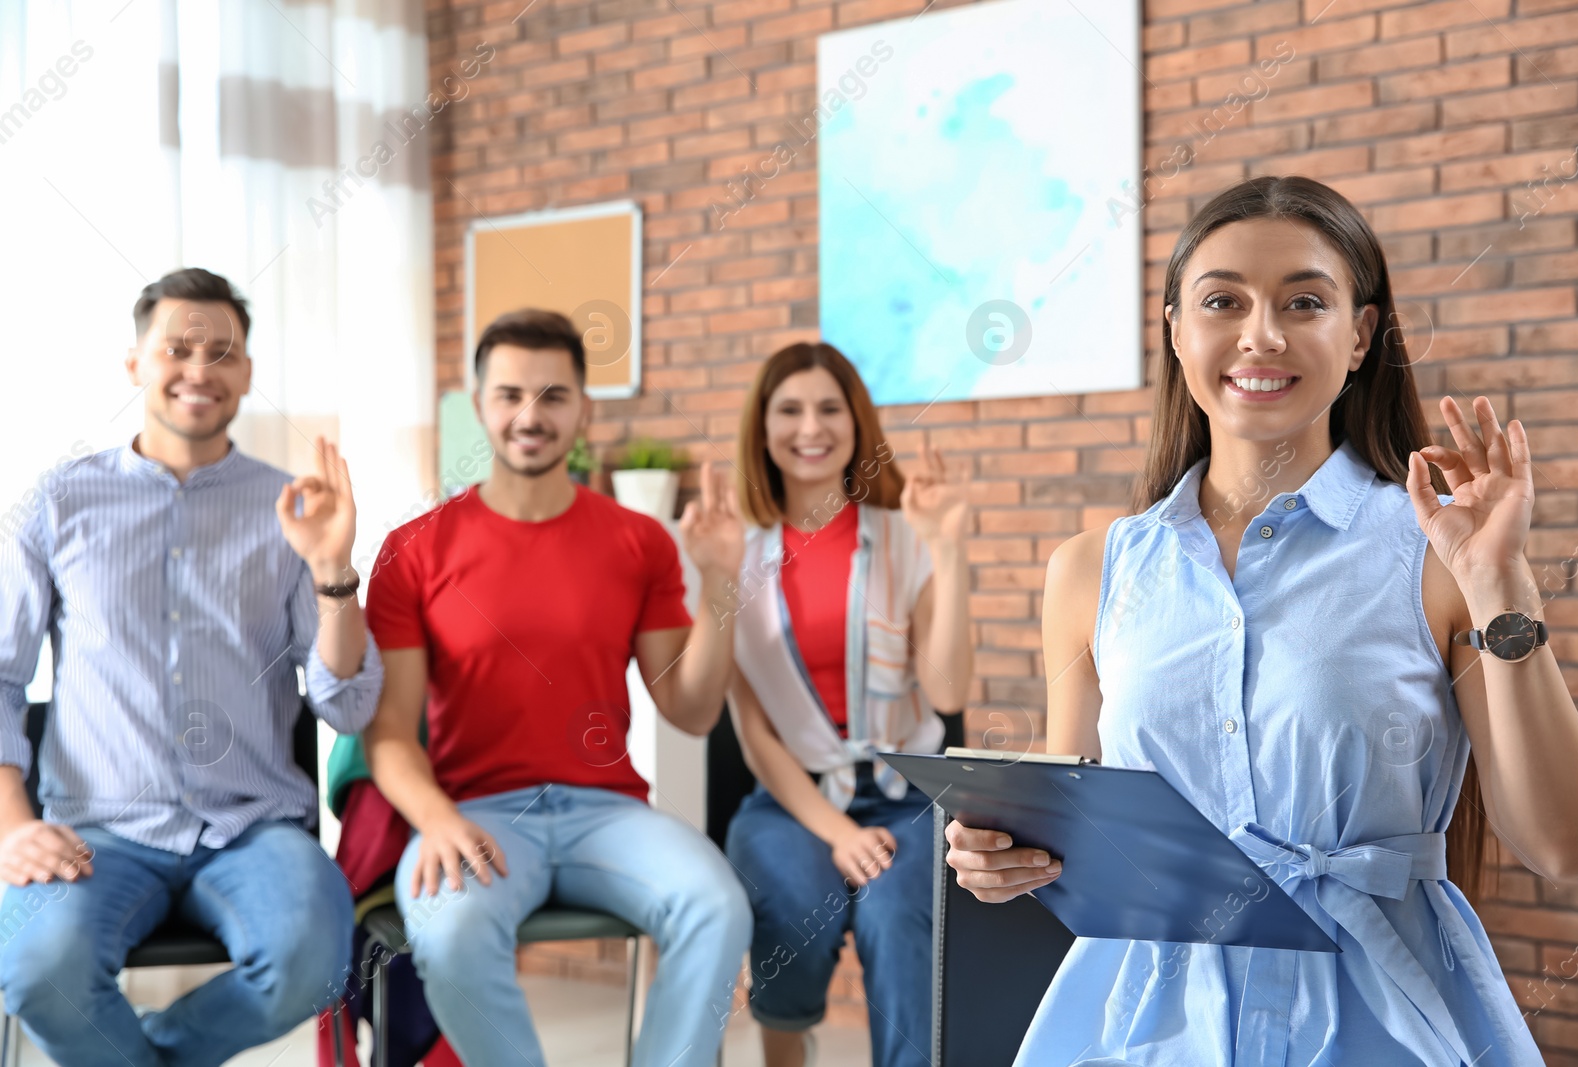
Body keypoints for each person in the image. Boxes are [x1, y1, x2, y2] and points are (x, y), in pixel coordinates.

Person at [945, 175, 1578, 1066]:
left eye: (1305, 301)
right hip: (1146, 1022)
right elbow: (1079, 829)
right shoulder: (1090, 571)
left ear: (1360, 335)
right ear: (1176, 329)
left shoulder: (1439, 552)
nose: (1262, 334)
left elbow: (1566, 843)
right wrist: (998, 858)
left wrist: (1501, 586)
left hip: (1378, 1013)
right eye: (1223, 301)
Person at [0, 267, 383, 1066]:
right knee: (36, 970)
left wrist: (335, 569)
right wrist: (12, 826)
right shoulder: (59, 502)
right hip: (95, 830)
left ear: (246, 373)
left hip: (253, 826)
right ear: (136, 362)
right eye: (177, 347)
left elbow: (345, 703)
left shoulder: (297, 511)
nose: (199, 370)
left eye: (223, 352)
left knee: (318, 961)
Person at [362, 308, 752, 1067]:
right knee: (447, 927)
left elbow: (692, 707)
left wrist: (722, 581)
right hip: (474, 815)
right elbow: (388, 731)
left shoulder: (635, 541)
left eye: (552, 395)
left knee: (716, 904)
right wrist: (434, 818)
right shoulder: (415, 549)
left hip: (607, 814)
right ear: (479, 404)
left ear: (583, 409)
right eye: (510, 395)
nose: (529, 415)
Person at [722, 342, 973, 1067]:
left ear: (858, 423)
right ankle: (783, 1052)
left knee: (898, 916)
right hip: (792, 796)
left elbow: (950, 691)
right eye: (790, 410)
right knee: (793, 904)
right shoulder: (735, 557)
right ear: (762, 429)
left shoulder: (906, 534)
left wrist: (949, 554)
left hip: (912, 794)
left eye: (830, 408)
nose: (812, 427)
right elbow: (756, 735)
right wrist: (835, 830)